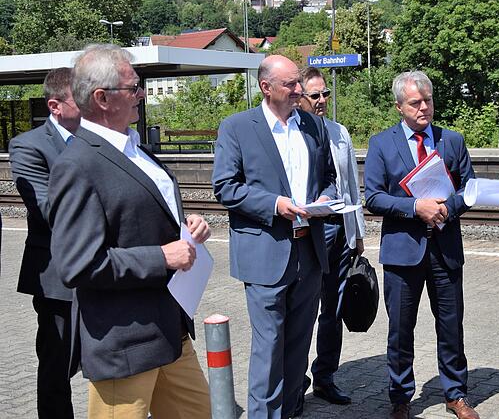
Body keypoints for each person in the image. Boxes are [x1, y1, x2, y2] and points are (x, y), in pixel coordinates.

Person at [47, 44, 212, 419]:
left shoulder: (135, 149)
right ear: (102, 98)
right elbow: (77, 264)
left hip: (170, 330)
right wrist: (162, 256)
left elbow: (145, 218)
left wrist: (187, 230)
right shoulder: (78, 164)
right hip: (125, 343)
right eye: (133, 87)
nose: (141, 93)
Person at [212, 54, 337, 418]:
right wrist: (275, 203)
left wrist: (326, 196)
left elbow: (327, 176)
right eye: (291, 85)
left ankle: (291, 410)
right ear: (266, 88)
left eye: (299, 83)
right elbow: (225, 187)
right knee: (268, 348)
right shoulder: (237, 127)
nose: (300, 90)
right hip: (266, 253)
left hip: (309, 252)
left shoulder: (314, 127)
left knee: (298, 346)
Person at [365, 71, 478, 419]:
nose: (424, 107)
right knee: (401, 329)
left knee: (451, 325)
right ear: (400, 106)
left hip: (445, 249)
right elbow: (374, 197)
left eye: (428, 100)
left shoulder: (452, 141)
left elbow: (469, 190)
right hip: (403, 252)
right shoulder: (381, 144)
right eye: (415, 103)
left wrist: (446, 208)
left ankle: (455, 394)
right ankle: (400, 398)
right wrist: (416, 208)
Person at [9, 67, 81, 419]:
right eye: (80, 98)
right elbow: (49, 210)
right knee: (57, 371)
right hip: (58, 280)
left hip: (107, 272)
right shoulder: (27, 146)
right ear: (55, 106)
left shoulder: (99, 138)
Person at [298, 67, 365, 405]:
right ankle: (296, 383)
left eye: (325, 93)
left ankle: (325, 376)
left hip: (339, 229)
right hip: (309, 233)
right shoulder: (293, 133)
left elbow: (351, 183)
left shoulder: (340, 132)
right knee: (303, 309)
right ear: (300, 96)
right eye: (315, 95)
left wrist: (358, 233)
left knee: (333, 309)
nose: (323, 100)